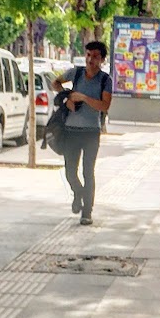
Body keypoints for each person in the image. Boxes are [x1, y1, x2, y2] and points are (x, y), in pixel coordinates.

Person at [53, 42, 113, 226]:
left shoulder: (105, 80)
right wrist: (67, 96)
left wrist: (85, 98)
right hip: (71, 130)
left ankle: (87, 211)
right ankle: (78, 192)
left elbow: (105, 106)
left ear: (102, 60)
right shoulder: (76, 73)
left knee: (88, 171)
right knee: (70, 172)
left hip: (91, 132)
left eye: (95, 56)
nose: (90, 59)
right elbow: (55, 83)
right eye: (88, 55)